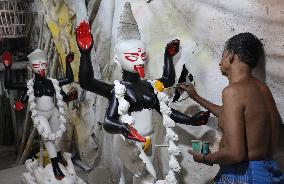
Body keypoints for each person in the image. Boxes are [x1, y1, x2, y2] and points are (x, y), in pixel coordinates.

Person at [76, 2, 210, 183]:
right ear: (117, 59)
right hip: (128, 142)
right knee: (149, 177)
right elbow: (89, 87)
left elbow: (167, 93)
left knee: (130, 174)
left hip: (149, 138)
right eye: (132, 56)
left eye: (142, 55)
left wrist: (191, 120)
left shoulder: (149, 87)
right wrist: (85, 53)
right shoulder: (118, 90)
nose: (139, 60)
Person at [179, 32, 284, 183]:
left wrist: (205, 158)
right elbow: (228, 114)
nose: (219, 63)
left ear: (231, 55)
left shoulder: (233, 91)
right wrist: (195, 97)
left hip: (244, 175)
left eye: (222, 56)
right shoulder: (261, 89)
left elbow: (235, 153)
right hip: (269, 173)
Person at [2, 50, 77, 180]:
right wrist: (8, 68)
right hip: (40, 115)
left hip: (53, 111)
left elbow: (68, 81)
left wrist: (67, 63)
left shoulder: (52, 83)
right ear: (31, 67)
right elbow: (10, 85)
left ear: (47, 65)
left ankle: (58, 157)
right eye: (37, 65)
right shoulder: (30, 85)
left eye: (43, 64)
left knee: (58, 137)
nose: (41, 67)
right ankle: (55, 166)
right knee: (47, 136)